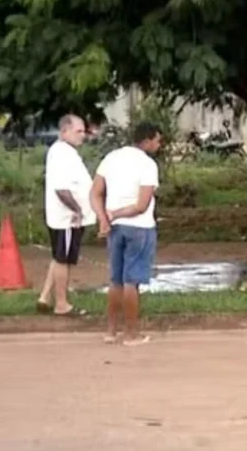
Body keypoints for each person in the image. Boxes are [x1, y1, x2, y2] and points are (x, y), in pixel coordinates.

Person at [91, 123, 163, 346]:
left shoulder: (111, 158)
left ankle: (111, 332)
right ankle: (131, 334)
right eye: (157, 141)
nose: (159, 145)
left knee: (116, 281)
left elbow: (95, 192)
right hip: (139, 227)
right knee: (132, 281)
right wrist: (115, 214)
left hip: (116, 229)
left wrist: (105, 217)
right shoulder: (147, 165)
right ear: (147, 141)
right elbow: (141, 206)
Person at [37, 114, 95, 316]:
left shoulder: (65, 152)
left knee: (59, 255)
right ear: (64, 132)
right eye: (78, 131)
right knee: (64, 259)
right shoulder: (61, 153)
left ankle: (45, 296)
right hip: (67, 218)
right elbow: (61, 189)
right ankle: (61, 303)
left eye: (83, 131)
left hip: (65, 216)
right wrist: (77, 210)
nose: (83, 135)